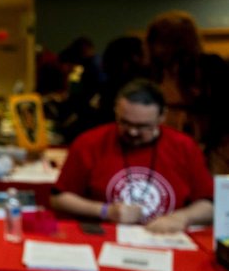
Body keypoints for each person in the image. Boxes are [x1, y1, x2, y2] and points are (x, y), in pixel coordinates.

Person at [51, 79, 214, 233]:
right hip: (106, 235)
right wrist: (105, 211)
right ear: (116, 111)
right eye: (125, 123)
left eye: (143, 126)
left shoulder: (184, 147)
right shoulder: (90, 143)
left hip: (166, 237)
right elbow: (58, 198)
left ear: (162, 117)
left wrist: (181, 217)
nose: (132, 132)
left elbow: (210, 205)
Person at [146, 10, 229, 175]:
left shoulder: (209, 66)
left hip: (209, 146)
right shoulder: (152, 72)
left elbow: (222, 110)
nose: (158, 49)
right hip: (164, 146)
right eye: (156, 42)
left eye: (164, 42)